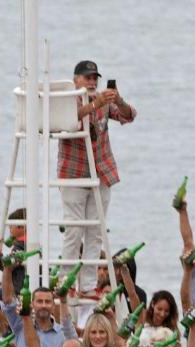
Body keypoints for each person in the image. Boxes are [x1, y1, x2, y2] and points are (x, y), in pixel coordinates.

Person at [58, 60, 136, 295]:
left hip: (101, 172)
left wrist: (117, 100)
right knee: (74, 230)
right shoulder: (68, 100)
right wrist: (95, 105)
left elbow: (129, 116)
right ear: (76, 80)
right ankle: (66, 282)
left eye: (94, 78)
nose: (92, 82)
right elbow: (67, 121)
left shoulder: (104, 101)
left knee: (95, 232)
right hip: (73, 173)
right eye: (87, 77)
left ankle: (89, 285)